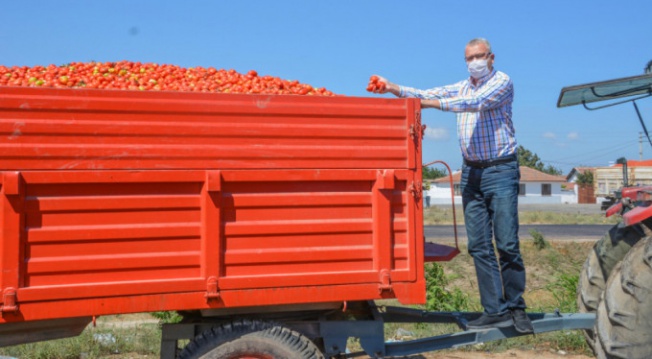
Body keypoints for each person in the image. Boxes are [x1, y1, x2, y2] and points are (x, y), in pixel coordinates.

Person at [371, 38, 533, 334]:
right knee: (479, 246)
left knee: (507, 242)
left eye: (479, 56)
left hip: (500, 169)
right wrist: (392, 87)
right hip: (471, 172)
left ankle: (516, 307)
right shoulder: (461, 85)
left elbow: (473, 103)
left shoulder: (502, 82)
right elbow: (424, 92)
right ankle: (495, 310)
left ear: (491, 57)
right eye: (469, 58)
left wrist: (429, 104)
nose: (474, 62)